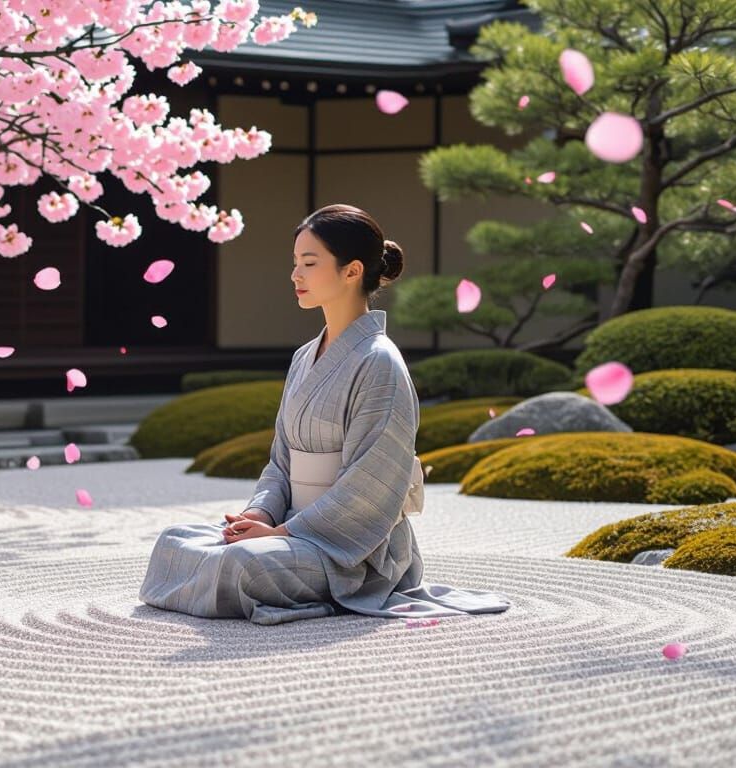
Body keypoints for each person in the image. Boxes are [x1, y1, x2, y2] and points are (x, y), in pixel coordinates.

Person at [138, 204, 513, 625]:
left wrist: (279, 535)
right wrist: (259, 515)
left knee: (244, 563)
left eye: (309, 263)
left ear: (352, 271)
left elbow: (368, 486)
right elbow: (281, 462)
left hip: (352, 548)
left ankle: (286, 577)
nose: (295, 275)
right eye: (295, 263)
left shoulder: (379, 363)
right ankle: (251, 557)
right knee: (175, 540)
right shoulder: (303, 358)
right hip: (288, 530)